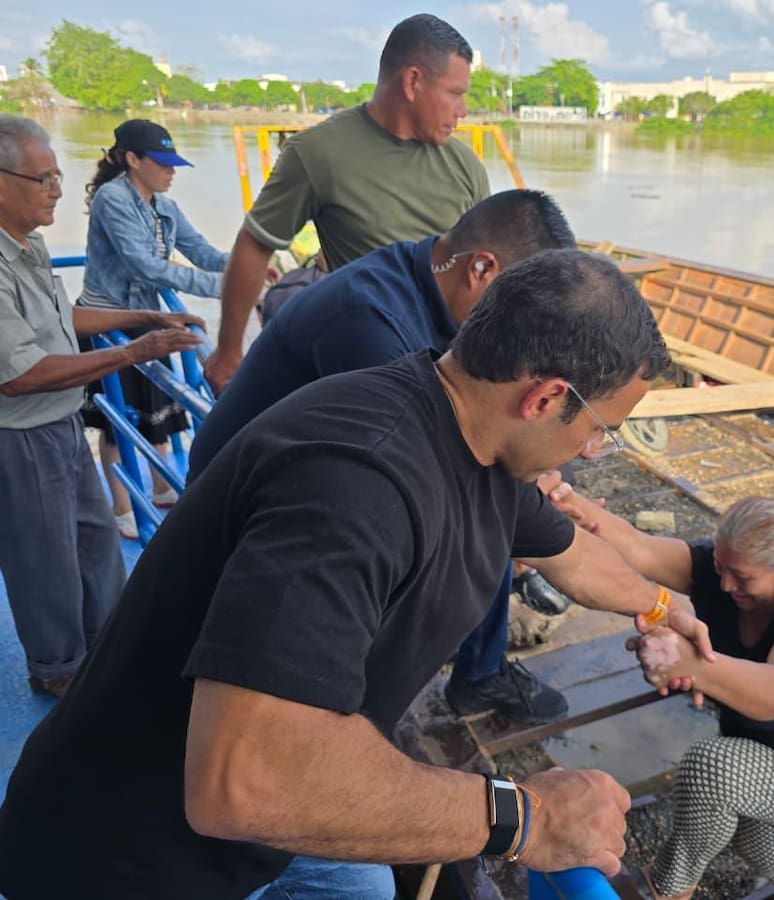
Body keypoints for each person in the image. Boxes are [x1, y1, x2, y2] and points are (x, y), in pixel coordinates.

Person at [0, 249, 713, 900]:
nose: (594, 453)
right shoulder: (356, 481)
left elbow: (576, 556)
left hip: (266, 831)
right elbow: (242, 782)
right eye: (599, 429)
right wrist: (526, 817)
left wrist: (659, 609)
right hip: (132, 859)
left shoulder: (481, 445)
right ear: (547, 397)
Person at [187, 188, 578, 730]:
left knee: (497, 504)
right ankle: (363, 726)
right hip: (240, 516)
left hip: (322, 472)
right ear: (482, 269)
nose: (524, 335)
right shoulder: (372, 323)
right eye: (524, 314)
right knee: (480, 521)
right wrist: (538, 501)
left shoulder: (425, 276)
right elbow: (453, 463)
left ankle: (478, 671)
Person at [548, 486, 774, 900]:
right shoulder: (723, 572)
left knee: (713, 770)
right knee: (753, 838)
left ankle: (666, 887)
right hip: (764, 761)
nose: (725, 584)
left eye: (741, 576)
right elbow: (640, 547)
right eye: (722, 567)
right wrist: (576, 507)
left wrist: (689, 665)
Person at [0, 115, 202, 698]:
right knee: (45, 566)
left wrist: (145, 317)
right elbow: (21, 376)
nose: (57, 190)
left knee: (95, 543)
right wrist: (138, 352)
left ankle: (110, 653)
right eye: (41, 179)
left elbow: (65, 320)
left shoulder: (28, 244)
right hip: (22, 434)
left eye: (58, 176)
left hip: (61, 421)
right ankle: (59, 673)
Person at [204, 12, 489, 395]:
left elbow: (493, 270)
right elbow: (256, 244)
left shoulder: (465, 166)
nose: (463, 110)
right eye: (455, 93)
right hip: (370, 366)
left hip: (454, 371)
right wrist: (228, 351)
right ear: (413, 81)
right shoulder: (318, 154)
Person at [78, 119, 229, 538]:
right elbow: (145, 265)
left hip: (147, 320)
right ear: (132, 159)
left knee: (155, 413)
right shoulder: (113, 199)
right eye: (162, 163)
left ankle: (162, 488)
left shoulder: (165, 205)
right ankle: (123, 508)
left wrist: (250, 265)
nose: (171, 171)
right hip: (109, 321)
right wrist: (225, 288)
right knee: (117, 421)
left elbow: (202, 251)